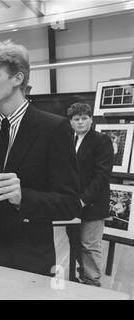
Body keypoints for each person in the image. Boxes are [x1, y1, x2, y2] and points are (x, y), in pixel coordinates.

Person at [0, 40, 81, 276]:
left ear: (17, 78)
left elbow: (69, 204)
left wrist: (22, 197)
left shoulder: (54, 128)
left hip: (25, 257)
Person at [66, 102, 113, 286]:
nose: (80, 122)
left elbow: (102, 175)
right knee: (76, 242)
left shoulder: (101, 140)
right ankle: (83, 273)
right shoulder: (70, 140)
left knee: (90, 245)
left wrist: (84, 200)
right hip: (73, 204)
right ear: (70, 122)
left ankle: (93, 282)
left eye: (84, 118)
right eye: (76, 119)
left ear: (91, 120)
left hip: (92, 203)